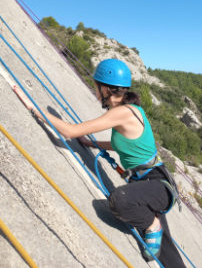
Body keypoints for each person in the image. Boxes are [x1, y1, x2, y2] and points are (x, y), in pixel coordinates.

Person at [13, 58, 184, 265]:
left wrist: (34, 108)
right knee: (166, 253)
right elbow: (124, 144)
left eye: (96, 86)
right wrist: (91, 144)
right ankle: (156, 231)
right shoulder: (128, 110)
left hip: (157, 184)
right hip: (151, 183)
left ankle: (152, 224)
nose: (95, 91)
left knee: (119, 200)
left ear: (106, 89)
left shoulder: (122, 112)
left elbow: (70, 130)